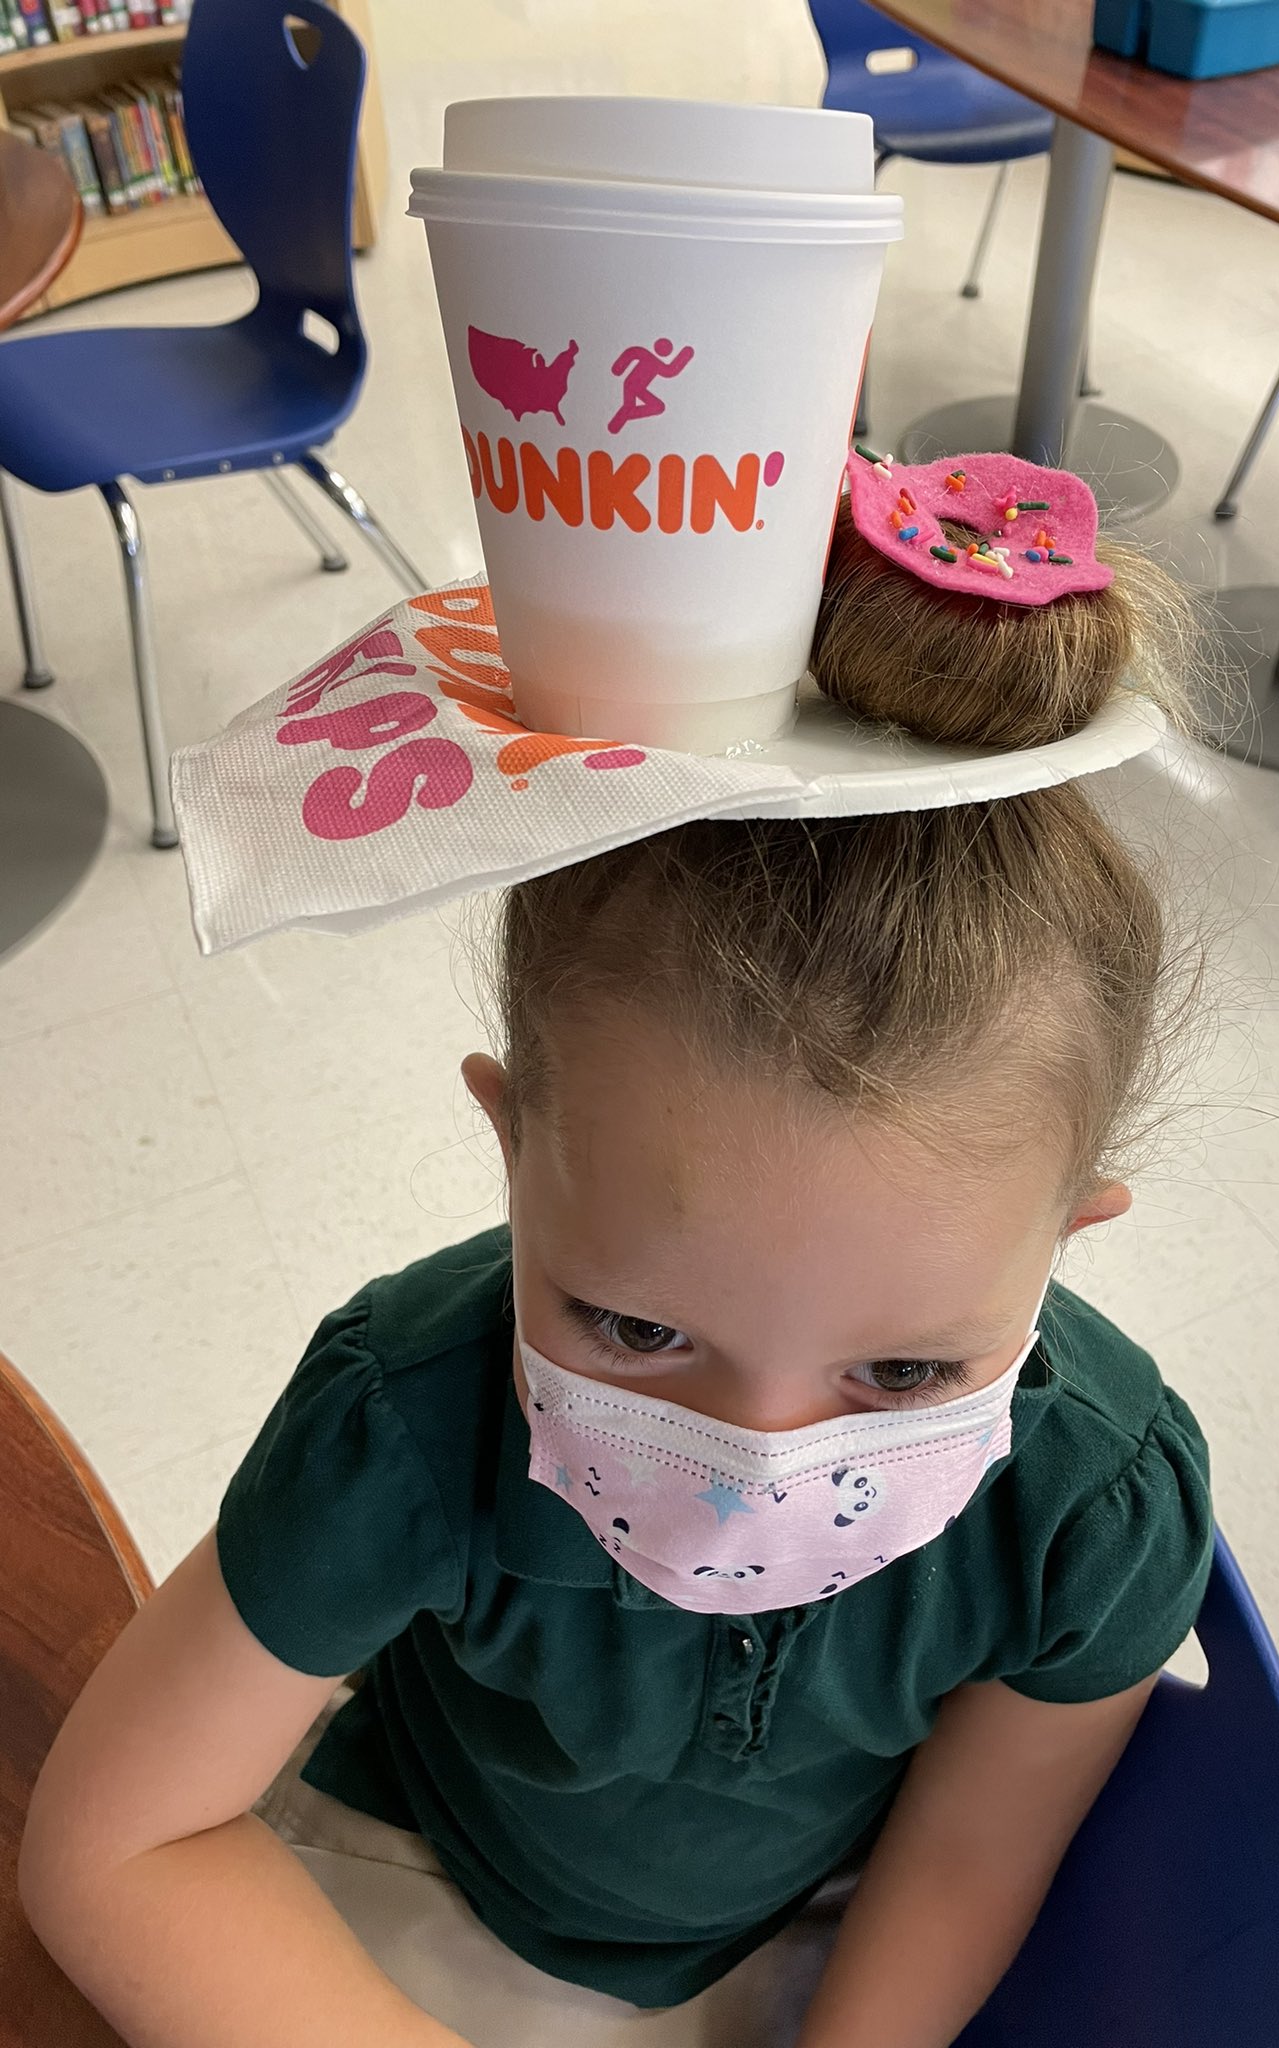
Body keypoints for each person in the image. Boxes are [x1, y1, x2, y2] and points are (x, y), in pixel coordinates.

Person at [19, 477, 1215, 2048]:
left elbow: (974, 1854)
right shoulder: (407, 1424)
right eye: (638, 1328)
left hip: (819, 1947)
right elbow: (118, 1845)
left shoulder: (1093, 1512)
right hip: (421, 1899)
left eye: (906, 1371)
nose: (753, 1465)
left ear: (1065, 1240)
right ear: (513, 1150)